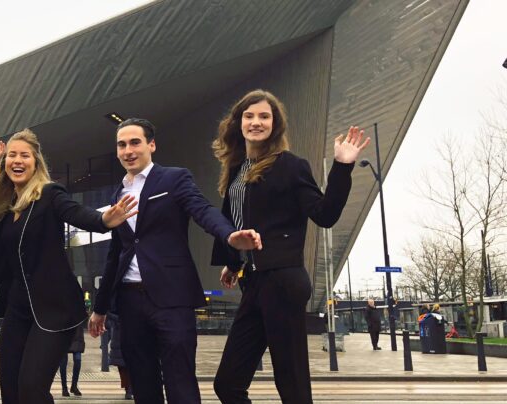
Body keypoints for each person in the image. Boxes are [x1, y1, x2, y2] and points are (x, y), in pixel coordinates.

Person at [210, 89, 369, 404]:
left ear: (275, 124)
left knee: (292, 384)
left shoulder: (290, 165)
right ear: (238, 122)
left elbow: (324, 214)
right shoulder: (237, 169)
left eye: (264, 116)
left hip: (282, 280)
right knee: (227, 385)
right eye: (249, 116)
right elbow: (239, 221)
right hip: (253, 282)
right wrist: (234, 261)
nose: (256, 122)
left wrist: (342, 166)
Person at [88, 117, 262, 403]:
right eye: (121, 145)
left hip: (172, 298)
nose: (128, 150)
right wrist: (100, 308)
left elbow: (202, 209)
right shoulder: (118, 194)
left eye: (135, 142)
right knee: (143, 384)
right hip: (130, 303)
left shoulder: (173, 178)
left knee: (180, 381)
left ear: (151, 145)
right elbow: (116, 254)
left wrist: (229, 235)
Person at [0, 129, 138, 404]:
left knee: (31, 390)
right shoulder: (5, 207)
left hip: (53, 308)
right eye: (12, 155)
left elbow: (76, 213)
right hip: (17, 308)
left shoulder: (49, 194)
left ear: (36, 162)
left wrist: (103, 220)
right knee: (10, 391)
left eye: (25, 155)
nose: (18, 160)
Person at [106, 312, 133, 400]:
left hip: (119, 341)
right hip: (122, 341)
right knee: (126, 368)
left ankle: (128, 390)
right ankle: (129, 390)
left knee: (124, 368)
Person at [59, 321, 86, 397]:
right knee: (63, 363)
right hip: (63, 331)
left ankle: (74, 386)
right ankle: (64, 388)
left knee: (78, 361)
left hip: (77, 333)